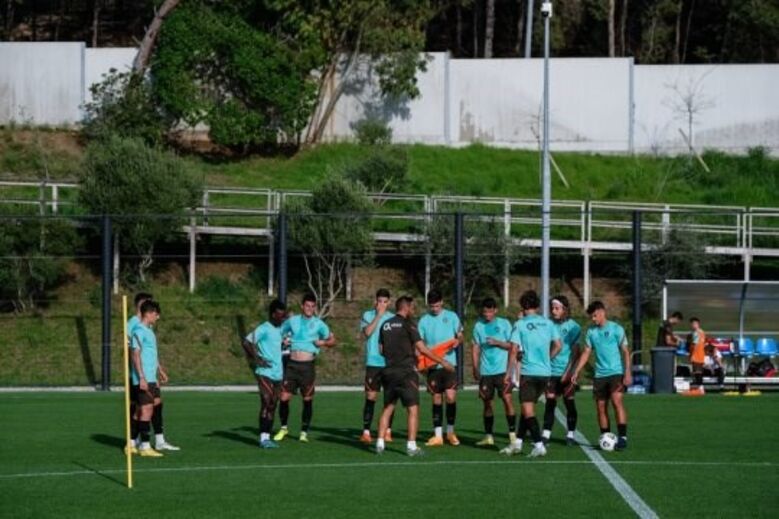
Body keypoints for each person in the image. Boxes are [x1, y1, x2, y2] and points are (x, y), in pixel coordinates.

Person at [375, 295, 454, 457]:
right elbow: (422, 349)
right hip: (406, 373)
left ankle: (380, 443)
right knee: (413, 410)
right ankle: (411, 446)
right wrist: (443, 362)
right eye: (411, 307)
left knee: (388, 408)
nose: (413, 310)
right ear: (405, 308)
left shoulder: (385, 325)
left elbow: (381, 350)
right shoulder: (408, 325)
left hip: (388, 372)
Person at [502, 290, 561, 458]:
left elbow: (513, 350)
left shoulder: (520, 324)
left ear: (523, 306)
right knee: (526, 408)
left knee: (528, 411)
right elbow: (558, 345)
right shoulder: (548, 323)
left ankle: (539, 445)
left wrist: (508, 373)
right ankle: (518, 443)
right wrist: (548, 358)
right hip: (545, 373)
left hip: (528, 373)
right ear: (537, 306)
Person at [274, 293, 336, 443]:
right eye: (307, 305)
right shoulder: (292, 321)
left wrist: (322, 343)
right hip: (291, 365)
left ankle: (303, 432)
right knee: (284, 397)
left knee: (307, 399)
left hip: (307, 366)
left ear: (315, 308)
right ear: (302, 306)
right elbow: (279, 333)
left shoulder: (319, 324)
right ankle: (283, 428)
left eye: (312, 306)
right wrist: (283, 340)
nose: (310, 308)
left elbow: (332, 340)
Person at [571, 301, 631, 451]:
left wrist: (628, 371)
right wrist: (576, 370)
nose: (593, 319)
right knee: (601, 407)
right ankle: (606, 437)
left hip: (616, 373)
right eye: (591, 317)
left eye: (595, 316)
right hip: (599, 375)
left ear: (602, 312)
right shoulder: (591, 332)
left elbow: (625, 352)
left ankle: (622, 437)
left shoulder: (616, 329)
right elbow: (586, 352)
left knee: (617, 402)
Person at [418, 289, 464, 447]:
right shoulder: (424, 320)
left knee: (450, 397)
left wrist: (458, 340)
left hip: (449, 364)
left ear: (442, 302)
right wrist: (421, 363)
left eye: (437, 306)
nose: (435, 309)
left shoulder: (452, 316)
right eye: (432, 306)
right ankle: (438, 435)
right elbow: (419, 343)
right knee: (436, 398)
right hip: (432, 365)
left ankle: (450, 432)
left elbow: (460, 335)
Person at [242, 299, 288, 449]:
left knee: (273, 404)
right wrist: (257, 359)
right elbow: (246, 342)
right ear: (273, 314)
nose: (282, 318)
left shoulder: (280, 330)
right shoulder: (264, 328)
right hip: (264, 372)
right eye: (280, 315)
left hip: (278, 373)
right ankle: (262, 439)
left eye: (284, 315)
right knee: (266, 401)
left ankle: (267, 438)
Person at [471, 297, 516, 448]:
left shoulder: (505, 324)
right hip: (486, 372)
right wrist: (475, 367)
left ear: (495, 310)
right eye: (485, 312)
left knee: (507, 400)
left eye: (490, 312)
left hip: (502, 371)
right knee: (487, 404)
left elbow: (512, 346)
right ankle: (488, 436)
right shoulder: (478, 326)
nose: (487, 315)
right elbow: (476, 348)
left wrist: (498, 342)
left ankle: (512, 436)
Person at [542, 295, 581, 446]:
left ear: (565, 309)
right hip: (551, 371)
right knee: (550, 402)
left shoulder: (573, 327)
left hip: (566, 371)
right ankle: (546, 434)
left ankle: (570, 434)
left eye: (557, 308)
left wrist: (568, 372)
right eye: (552, 308)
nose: (553, 311)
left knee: (569, 402)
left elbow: (576, 352)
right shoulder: (547, 324)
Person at [129, 300, 165, 457]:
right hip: (143, 378)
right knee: (146, 410)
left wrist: (159, 370)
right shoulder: (139, 331)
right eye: (156, 314)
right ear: (149, 313)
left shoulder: (149, 331)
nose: (158, 317)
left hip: (151, 377)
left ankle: (131, 443)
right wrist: (141, 377)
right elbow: (135, 354)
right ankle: (144, 446)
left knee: (147, 408)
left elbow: (151, 353)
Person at [359, 289, 395, 444]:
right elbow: (367, 332)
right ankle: (366, 431)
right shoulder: (368, 315)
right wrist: (378, 316)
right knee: (371, 396)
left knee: (390, 398)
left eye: (385, 302)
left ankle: (387, 431)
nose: (382, 304)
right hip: (373, 363)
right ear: (375, 301)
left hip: (389, 364)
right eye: (379, 301)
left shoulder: (393, 318)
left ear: (389, 303)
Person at [687, 317, 707, 390]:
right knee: (698, 371)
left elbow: (695, 345)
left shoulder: (696, 333)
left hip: (696, 354)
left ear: (698, 324)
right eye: (692, 324)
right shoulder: (702, 332)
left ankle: (700, 387)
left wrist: (692, 355)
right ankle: (699, 386)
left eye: (694, 324)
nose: (693, 325)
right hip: (700, 354)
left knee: (697, 371)